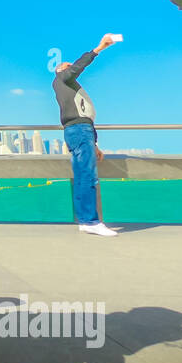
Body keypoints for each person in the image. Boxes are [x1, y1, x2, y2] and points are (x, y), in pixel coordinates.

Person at [53, 34, 120, 237]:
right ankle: (90, 221)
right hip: (79, 132)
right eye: (67, 65)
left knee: (83, 174)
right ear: (60, 71)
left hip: (82, 131)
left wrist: (96, 145)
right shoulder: (62, 78)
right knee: (87, 175)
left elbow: (86, 119)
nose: (70, 65)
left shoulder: (68, 85)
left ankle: (86, 220)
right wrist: (99, 48)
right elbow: (77, 68)